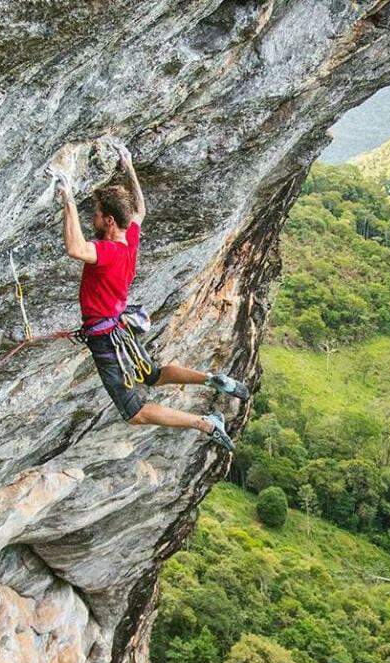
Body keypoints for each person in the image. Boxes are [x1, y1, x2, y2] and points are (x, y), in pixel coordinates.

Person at [52, 141, 247, 451]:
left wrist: (68, 198)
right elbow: (140, 210)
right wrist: (127, 165)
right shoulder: (129, 238)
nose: (94, 220)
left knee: (135, 412)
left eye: (97, 215)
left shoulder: (108, 251)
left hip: (106, 338)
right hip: (119, 331)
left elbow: (76, 248)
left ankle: (205, 423)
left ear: (109, 222)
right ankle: (211, 379)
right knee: (153, 375)